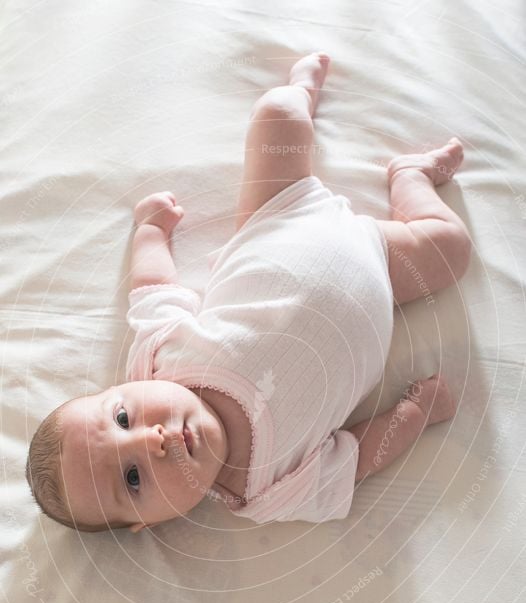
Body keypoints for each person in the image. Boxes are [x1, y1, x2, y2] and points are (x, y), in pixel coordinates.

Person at [25, 53, 471, 533]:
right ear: (149, 523)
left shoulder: (161, 361)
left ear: (121, 388)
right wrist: (416, 413)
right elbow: (359, 457)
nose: (151, 440)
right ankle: (411, 178)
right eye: (133, 479)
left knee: (278, 114)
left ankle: (301, 90)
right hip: (383, 267)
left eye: (121, 416)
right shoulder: (270, 491)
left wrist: (151, 232)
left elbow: (152, 289)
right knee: (453, 249)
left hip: (279, 214)